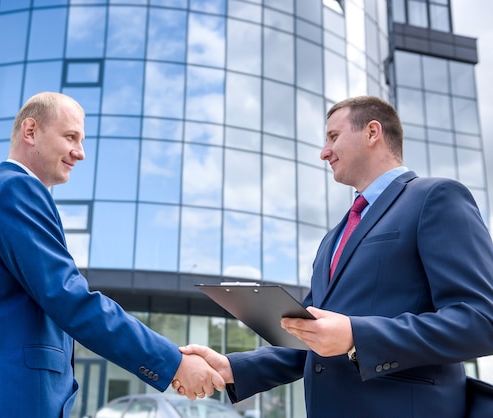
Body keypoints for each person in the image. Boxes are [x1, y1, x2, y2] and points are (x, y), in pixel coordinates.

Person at [180, 96, 493, 417]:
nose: (324, 152)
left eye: (333, 136)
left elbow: (482, 320)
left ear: (372, 132)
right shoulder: (334, 237)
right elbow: (312, 340)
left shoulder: (436, 197)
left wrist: (357, 336)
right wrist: (233, 367)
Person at [0, 92, 224, 417]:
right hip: (3, 399)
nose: (80, 153)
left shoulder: (1, 193)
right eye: (70, 137)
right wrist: (174, 362)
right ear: (30, 131)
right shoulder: (16, 190)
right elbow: (68, 296)